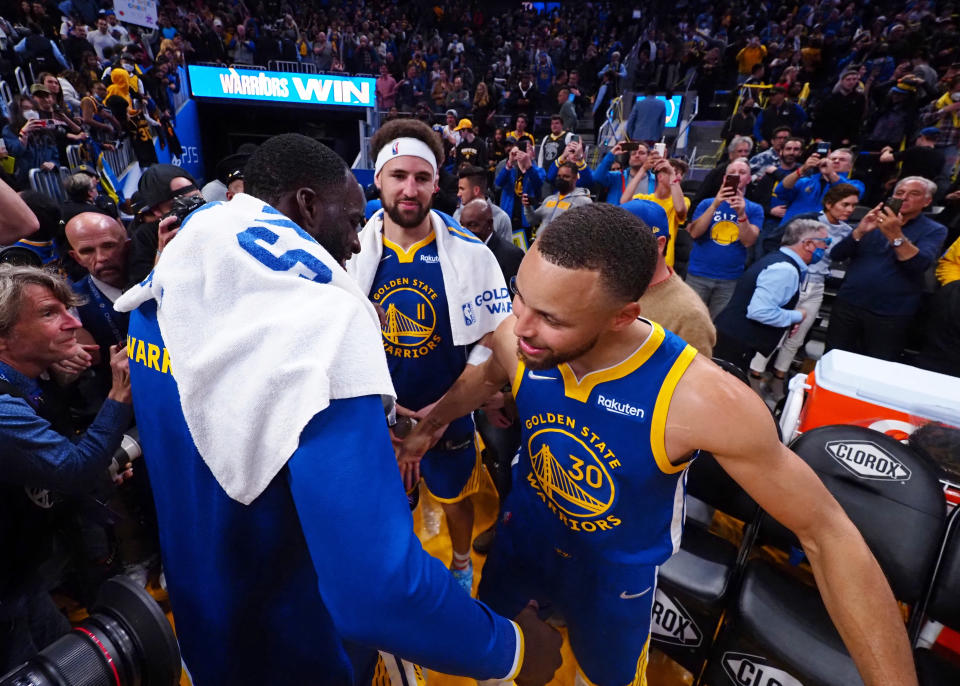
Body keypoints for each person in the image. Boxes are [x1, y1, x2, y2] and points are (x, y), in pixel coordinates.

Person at [398, 204, 918, 686]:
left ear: (623, 315)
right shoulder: (521, 332)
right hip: (523, 540)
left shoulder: (700, 397)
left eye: (553, 319)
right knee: (507, 664)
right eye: (520, 298)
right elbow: (489, 374)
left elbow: (831, 536)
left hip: (613, 577)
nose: (521, 328)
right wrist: (430, 426)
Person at [114, 133, 561, 684]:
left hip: (203, 616)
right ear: (305, 205)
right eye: (351, 221)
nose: (353, 243)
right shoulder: (324, 322)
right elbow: (375, 591)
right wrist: (510, 649)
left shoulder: (168, 283)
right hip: (300, 637)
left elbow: (238, 417)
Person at [347, 119, 514, 597]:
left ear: (437, 184)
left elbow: (493, 344)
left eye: (421, 178)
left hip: (448, 414)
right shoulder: (349, 253)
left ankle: (461, 566)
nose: (409, 189)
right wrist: (389, 415)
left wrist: (436, 420)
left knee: (457, 498)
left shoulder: (471, 254)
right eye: (398, 176)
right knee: (384, 503)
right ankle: (396, 568)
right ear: (377, 180)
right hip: (378, 415)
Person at [0, 265, 132, 671]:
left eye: (67, 310)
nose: (73, 322)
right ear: (4, 335)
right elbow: (72, 467)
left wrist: (55, 379)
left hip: (20, 574)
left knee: (64, 658)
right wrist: (118, 396)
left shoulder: (29, 379)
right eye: (48, 314)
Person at [826, 177, 947, 361]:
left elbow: (918, 265)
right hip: (849, 303)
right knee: (833, 360)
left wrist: (895, 235)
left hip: (891, 314)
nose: (904, 198)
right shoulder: (873, 221)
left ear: (927, 201)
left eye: (914, 194)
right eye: (899, 193)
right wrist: (860, 231)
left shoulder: (934, 230)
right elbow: (837, 254)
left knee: (876, 368)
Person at [750, 184, 860, 382]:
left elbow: (841, 255)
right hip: (793, 279)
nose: (850, 210)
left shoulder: (848, 232)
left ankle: (781, 373)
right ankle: (756, 369)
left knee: (797, 336)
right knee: (776, 329)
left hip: (817, 284)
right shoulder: (806, 220)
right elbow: (773, 241)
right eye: (845, 204)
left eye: (853, 206)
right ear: (829, 203)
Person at [713, 219, 830, 372]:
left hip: (733, 339)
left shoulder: (777, 259)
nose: (827, 246)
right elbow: (760, 312)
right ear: (808, 244)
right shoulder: (785, 269)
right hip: (736, 344)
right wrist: (797, 315)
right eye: (825, 241)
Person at [622, 198, 716, 356]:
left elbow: (694, 378)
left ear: (659, 244)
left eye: (626, 242)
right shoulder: (607, 284)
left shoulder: (689, 316)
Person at [686, 159, 764, 317]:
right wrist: (715, 205)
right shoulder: (706, 203)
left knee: (718, 325)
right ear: (724, 178)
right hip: (698, 274)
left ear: (749, 179)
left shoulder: (755, 209)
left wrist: (741, 214)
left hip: (730, 278)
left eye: (742, 173)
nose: (737, 176)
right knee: (690, 321)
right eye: (732, 173)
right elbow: (694, 233)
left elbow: (749, 241)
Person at [772, 148, 865, 226]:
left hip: (825, 235)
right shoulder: (806, 181)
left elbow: (849, 194)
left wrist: (830, 174)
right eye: (833, 159)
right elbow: (781, 191)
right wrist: (803, 169)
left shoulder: (856, 185)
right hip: (791, 231)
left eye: (842, 159)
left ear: (850, 167)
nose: (836, 161)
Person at [625, 157, 690, 269]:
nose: (678, 176)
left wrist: (672, 177)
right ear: (660, 176)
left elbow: (680, 209)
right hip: (640, 260)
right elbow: (624, 202)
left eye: (680, 174)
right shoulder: (644, 199)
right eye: (674, 172)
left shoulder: (683, 200)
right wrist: (643, 169)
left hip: (664, 263)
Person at [460, 199, 524, 284]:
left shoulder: (511, 255)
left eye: (472, 225)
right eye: (461, 225)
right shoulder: (460, 252)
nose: (465, 231)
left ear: (489, 224)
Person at [453, 165, 514, 246]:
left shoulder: (501, 218)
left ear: (476, 190)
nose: (458, 194)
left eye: (462, 189)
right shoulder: (457, 214)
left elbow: (506, 253)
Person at [524, 161, 592, 232]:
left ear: (575, 178)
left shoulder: (584, 201)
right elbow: (532, 221)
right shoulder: (550, 199)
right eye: (559, 176)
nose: (561, 179)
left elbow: (586, 230)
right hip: (541, 241)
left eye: (566, 176)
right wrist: (527, 207)